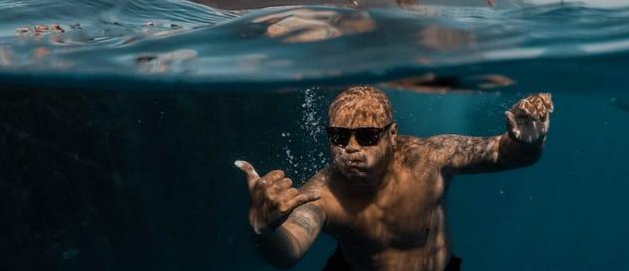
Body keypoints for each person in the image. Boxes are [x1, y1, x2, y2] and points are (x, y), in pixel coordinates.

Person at [236, 86, 553, 271]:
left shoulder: (428, 158)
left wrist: (528, 142)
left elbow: (501, 153)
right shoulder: (325, 192)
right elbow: (288, 249)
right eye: (339, 137)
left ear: (393, 134)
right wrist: (264, 230)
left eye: (367, 136)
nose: (351, 148)